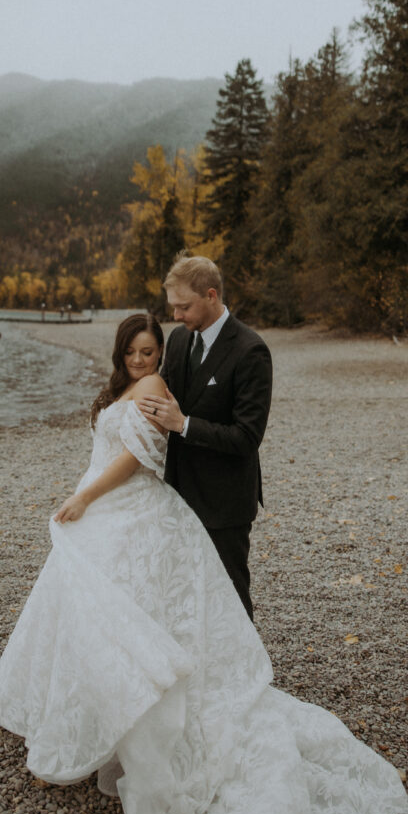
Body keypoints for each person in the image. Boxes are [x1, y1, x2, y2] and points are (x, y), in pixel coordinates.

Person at [0, 313, 408, 814]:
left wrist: (84, 497)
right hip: (107, 508)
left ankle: (135, 726)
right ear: (120, 353)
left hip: (127, 506)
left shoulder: (153, 385)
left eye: (149, 352)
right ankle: (85, 718)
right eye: (133, 353)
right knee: (94, 615)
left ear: (158, 354)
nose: (142, 360)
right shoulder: (124, 385)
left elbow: (137, 458)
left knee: (123, 620)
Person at [139, 253, 271, 619]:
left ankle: (247, 673)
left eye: (183, 307)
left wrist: (184, 424)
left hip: (225, 500)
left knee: (229, 594)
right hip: (178, 492)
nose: (176, 316)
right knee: (185, 591)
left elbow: (247, 437)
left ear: (211, 295)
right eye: (173, 307)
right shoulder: (180, 342)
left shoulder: (250, 350)